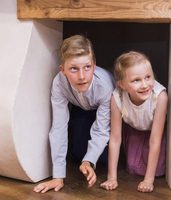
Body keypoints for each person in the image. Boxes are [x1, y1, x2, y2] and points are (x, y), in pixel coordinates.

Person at [33, 35, 114, 193]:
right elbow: (58, 127)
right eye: (73, 69)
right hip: (80, 106)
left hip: (106, 107)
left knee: (101, 159)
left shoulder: (104, 87)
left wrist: (89, 161)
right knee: (77, 153)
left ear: (94, 66)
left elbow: (101, 129)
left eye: (87, 67)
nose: (82, 76)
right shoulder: (58, 84)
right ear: (62, 70)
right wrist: (58, 176)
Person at [100, 51, 167, 193]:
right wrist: (112, 177)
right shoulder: (117, 97)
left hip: (154, 133)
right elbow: (115, 139)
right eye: (136, 80)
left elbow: (155, 140)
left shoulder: (160, 96)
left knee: (158, 170)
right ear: (122, 85)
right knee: (132, 167)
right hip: (133, 131)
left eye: (148, 77)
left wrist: (149, 180)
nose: (145, 85)